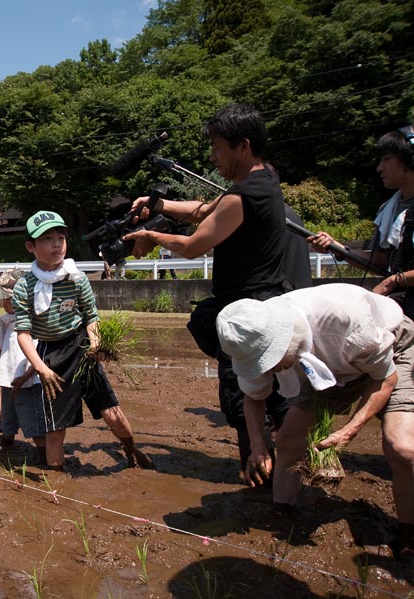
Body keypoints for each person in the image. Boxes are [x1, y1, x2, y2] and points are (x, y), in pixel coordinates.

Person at [123, 103, 291, 475]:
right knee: (259, 381)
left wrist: (151, 235)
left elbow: (192, 245)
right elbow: (202, 210)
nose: (213, 157)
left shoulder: (241, 197)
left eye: (217, 148)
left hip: (248, 309)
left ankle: (262, 471)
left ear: (242, 145)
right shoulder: (264, 179)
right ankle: (284, 459)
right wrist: (161, 205)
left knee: (243, 393)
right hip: (268, 301)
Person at [216, 283, 414, 559]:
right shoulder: (250, 335)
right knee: (287, 440)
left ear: (285, 337)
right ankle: (282, 513)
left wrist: (350, 430)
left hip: (391, 351)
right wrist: (258, 446)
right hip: (324, 363)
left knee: (402, 448)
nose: (268, 369)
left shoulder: (345, 321)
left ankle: (408, 534)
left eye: (270, 359)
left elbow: (386, 378)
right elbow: (254, 398)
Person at [14, 210, 153, 470]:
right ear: (31, 246)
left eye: (60, 237)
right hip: (51, 356)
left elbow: (91, 316)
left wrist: (96, 345)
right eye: (47, 239)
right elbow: (23, 333)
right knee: (56, 428)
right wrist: (42, 369)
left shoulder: (76, 277)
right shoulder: (25, 287)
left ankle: (131, 451)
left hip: (80, 348)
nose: (57, 244)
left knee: (113, 415)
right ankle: (55, 478)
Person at [317, 126, 414, 315]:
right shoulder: (388, 210)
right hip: (401, 311)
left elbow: (391, 276)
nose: (380, 168)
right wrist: (337, 248)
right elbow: (379, 260)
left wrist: (394, 280)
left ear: (409, 159)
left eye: (386, 159)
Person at [0, 269, 47, 456]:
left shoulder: (35, 322)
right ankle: (8, 447)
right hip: (8, 380)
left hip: (30, 380)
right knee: (8, 419)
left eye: (9, 298)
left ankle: (45, 456)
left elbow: (39, 356)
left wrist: (27, 376)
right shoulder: (4, 323)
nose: (4, 302)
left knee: (34, 423)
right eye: (3, 299)